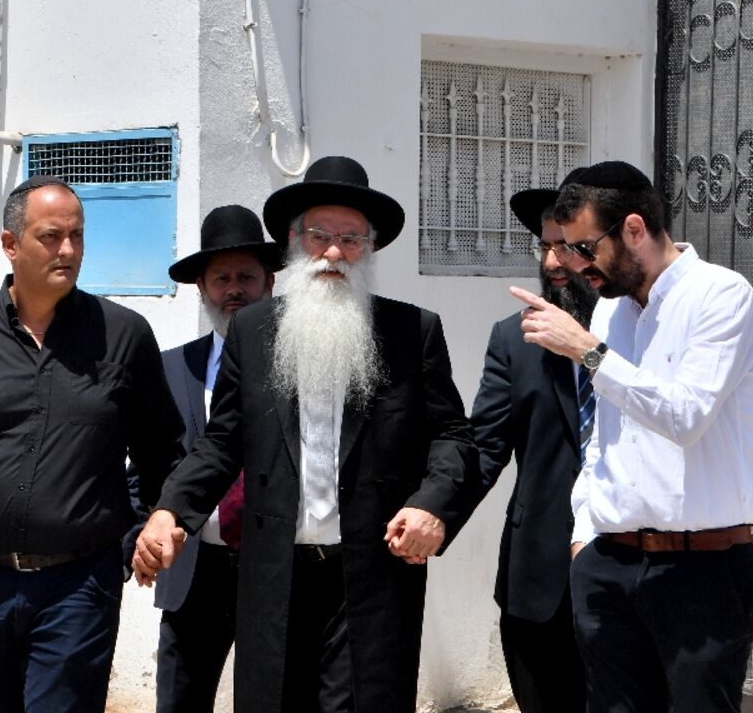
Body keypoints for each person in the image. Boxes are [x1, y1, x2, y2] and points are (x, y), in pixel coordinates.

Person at [133, 155, 479, 712]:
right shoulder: (253, 331)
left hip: (369, 579)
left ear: (369, 249)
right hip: (275, 576)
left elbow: (454, 437)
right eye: (320, 237)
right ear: (295, 243)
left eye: (351, 239)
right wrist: (171, 509)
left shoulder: (410, 332)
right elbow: (223, 443)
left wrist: (431, 506)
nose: (335, 253)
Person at [0, 175, 184, 713]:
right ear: (10, 244)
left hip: (81, 585)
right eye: (51, 236)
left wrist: (154, 521)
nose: (68, 250)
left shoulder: (124, 336)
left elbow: (164, 450)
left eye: (77, 236)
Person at [511, 160, 753, 712]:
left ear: (633, 229)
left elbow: (685, 415)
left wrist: (586, 351)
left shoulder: (721, 296)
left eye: (585, 247)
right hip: (608, 564)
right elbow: (603, 438)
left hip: (702, 568)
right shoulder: (610, 313)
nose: (575, 264)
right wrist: (586, 534)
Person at [148, 204, 284, 712]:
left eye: (246, 277)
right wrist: (136, 541)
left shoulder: (301, 362)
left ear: (270, 283)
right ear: (201, 288)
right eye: (220, 278)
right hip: (193, 572)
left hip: (272, 568)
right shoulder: (169, 368)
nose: (234, 289)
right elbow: (147, 466)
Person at [467, 170, 594, 713]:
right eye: (545, 247)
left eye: (567, 248)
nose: (551, 263)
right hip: (538, 575)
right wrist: (429, 508)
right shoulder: (511, 339)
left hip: (631, 571)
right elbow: (484, 447)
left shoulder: (646, 334)